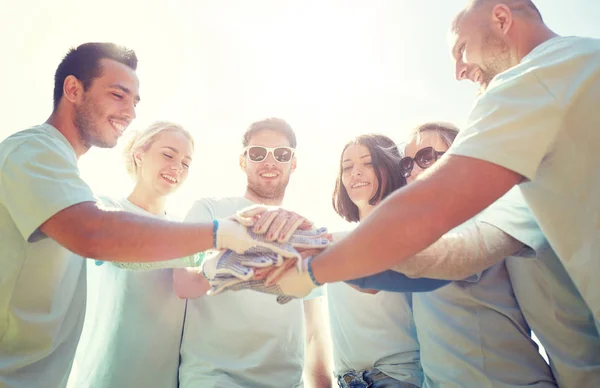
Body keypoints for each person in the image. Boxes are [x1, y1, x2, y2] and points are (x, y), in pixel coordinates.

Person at [269, 0, 600, 332]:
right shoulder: (580, 65)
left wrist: (311, 262)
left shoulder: (529, 80)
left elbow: (433, 217)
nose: (458, 71)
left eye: (462, 50)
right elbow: (450, 256)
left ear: (501, 18)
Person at [0, 42, 292, 388]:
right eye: (118, 95)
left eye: (135, 102)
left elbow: (181, 272)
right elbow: (98, 235)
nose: (130, 113)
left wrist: (265, 272)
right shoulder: (33, 151)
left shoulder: (68, 177)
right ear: (73, 89)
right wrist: (220, 232)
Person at [173, 118, 331, 388]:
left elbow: (314, 331)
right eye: (258, 153)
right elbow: (181, 283)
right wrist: (224, 262)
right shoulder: (209, 211)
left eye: (281, 154)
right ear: (243, 161)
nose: (270, 162)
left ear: (293, 163)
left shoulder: (305, 229)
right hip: (214, 378)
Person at [67, 121, 196, 388]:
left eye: (185, 163)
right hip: (106, 372)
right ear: (139, 154)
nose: (177, 168)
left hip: (165, 378)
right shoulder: (105, 208)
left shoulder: (187, 228)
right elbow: (123, 249)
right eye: (168, 155)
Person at [328, 134, 423, 388]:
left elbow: (371, 282)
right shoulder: (331, 240)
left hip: (398, 379)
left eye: (367, 163)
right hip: (346, 380)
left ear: (389, 168)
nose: (355, 173)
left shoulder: (411, 234)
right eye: (347, 167)